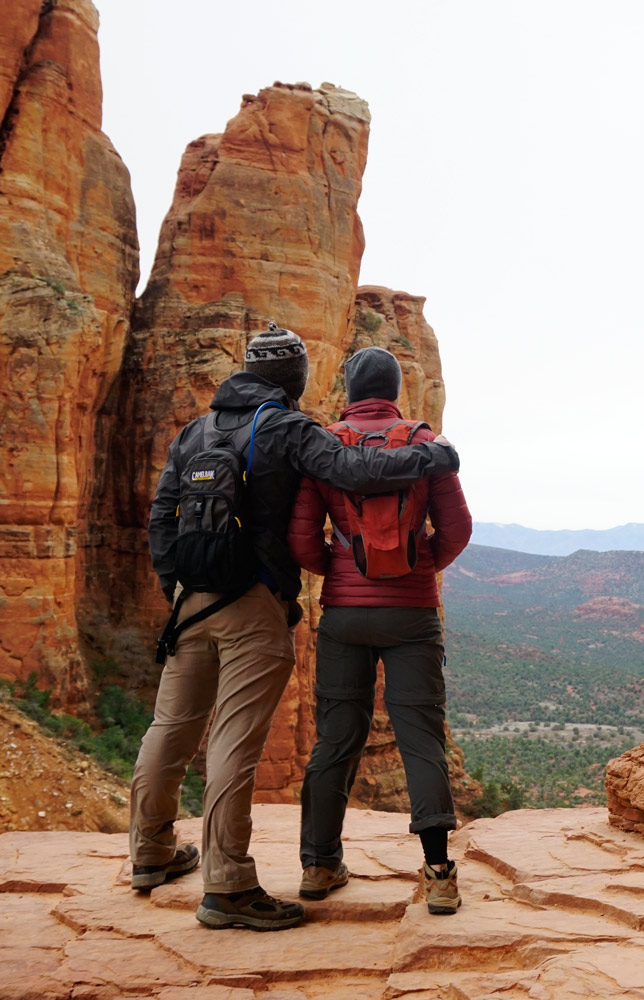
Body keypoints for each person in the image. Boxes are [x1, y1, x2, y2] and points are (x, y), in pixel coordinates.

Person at [129, 324, 461, 932]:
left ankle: (152, 853)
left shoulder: (194, 432)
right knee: (232, 741)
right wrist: (434, 457)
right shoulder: (289, 428)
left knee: (170, 727)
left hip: (191, 602)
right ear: (296, 379)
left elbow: (162, 513)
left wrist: (171, 585)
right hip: (255, 602)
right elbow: (358, 471)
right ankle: (227, 887)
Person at [287, 346, 472, 915]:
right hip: (413, 616)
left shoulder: (326, 446)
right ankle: (438, 874)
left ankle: (319, 866)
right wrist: (417, 567)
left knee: (336, 739)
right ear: (394, 390)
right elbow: (458, 529)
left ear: (349, 388)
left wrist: (341, 571)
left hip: (344, 614)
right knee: (421, 736)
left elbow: (300, 540)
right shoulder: (424, 445)